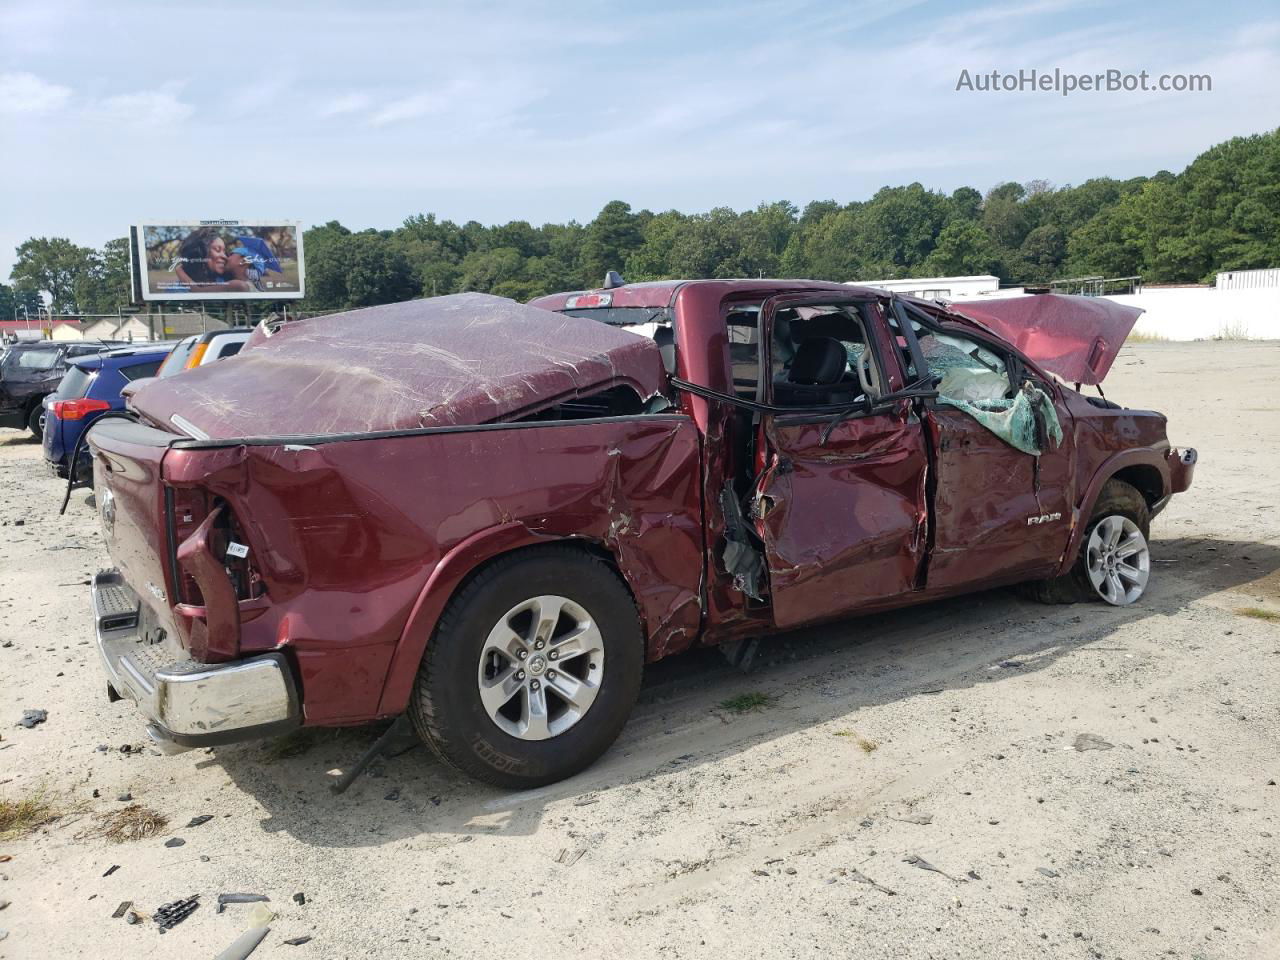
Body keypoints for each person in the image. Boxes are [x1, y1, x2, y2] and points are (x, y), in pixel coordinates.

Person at [172, 228, 251, 292]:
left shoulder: (225, 281)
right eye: (217, 250)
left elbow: (198, 292)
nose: (225, 257)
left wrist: (179, 270)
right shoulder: (178, 290)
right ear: (200, 252)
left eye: (224, 251)